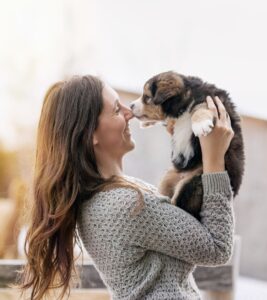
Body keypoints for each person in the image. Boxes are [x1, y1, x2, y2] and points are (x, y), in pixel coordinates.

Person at [18, 75, 235, 300]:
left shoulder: (113, 196)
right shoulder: (127, 205)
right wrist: (214, 161)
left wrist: (184, 137)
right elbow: (217, 247)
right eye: (116, 110)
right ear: (90, 134)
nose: (129, 112)